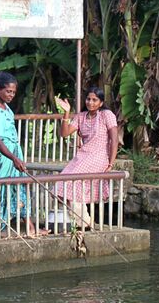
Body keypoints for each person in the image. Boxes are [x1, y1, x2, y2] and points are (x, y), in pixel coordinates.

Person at [55, 86, 118, 228]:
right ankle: (85, 221)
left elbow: (114, 139)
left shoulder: (106, 115)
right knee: (59, 185)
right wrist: (66, 112)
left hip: (99, 156)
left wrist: (111, 163)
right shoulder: (81, 116)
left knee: (71, 184)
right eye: (88, 99)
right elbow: (64, 133)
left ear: (101, 103)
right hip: (82, 156)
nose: (90, 102)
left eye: (95, 100)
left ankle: (83, 222)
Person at [0, 72, 33, 238]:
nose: (11, 95)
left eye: (13, 92)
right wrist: (13, 158)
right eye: (8, 91)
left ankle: (30, 226)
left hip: (11, 155)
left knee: (19, 187)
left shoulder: (4, 106)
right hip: (1, 158)